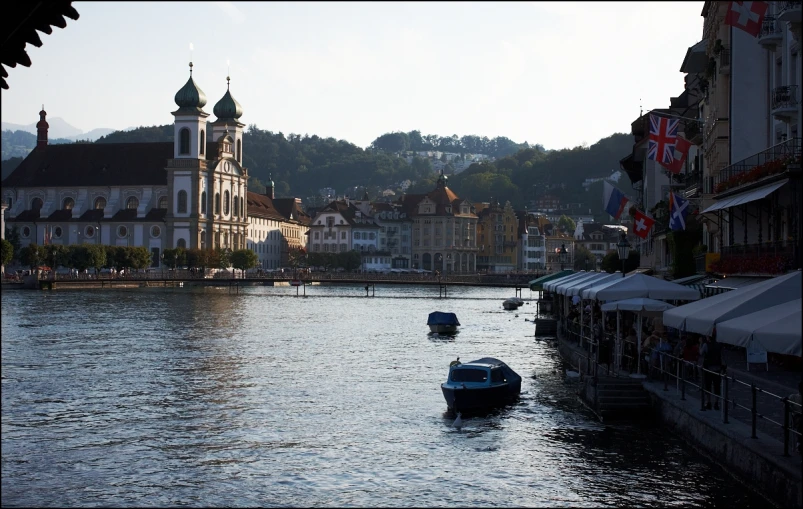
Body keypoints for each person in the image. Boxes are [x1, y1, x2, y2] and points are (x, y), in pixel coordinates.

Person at [701, 332, 723, 410]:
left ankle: (708, 402)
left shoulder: (705, 345)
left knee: (708, 385)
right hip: (717, 368)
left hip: (708, 368)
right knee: (717, 386)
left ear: (709, 337)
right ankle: (716, 403)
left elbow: (701, 353)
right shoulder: (718, 345)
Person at [789, 381, 802, 455]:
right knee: (801, 422)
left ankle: (800, 443)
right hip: (798, 417)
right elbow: (787, 407)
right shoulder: (794, 397)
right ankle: (799, 443)